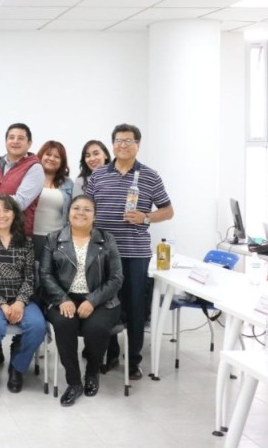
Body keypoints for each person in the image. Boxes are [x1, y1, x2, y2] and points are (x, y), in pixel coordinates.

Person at [86, 123, 174, 380]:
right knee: (106, 305)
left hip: (135, 253)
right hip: (102, 253)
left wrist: (145, 217)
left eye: (128, 141)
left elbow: (168, 211)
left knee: (135, 307)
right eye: (118, 141)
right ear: (112, 144)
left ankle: (133, 361)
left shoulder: (150, 176)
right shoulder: (98, 175)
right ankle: (111, 354)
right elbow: (87, 207)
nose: (122, 145)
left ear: (138, 144)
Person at [40, 195, 123, 406]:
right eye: (76, 208)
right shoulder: (53, 238)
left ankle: (93, 372)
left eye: (87, 209)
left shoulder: (107, 239)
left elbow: (116, 278)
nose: (81, 213)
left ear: (95, 215)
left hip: (101, 299)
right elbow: (45, 274)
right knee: (64, 324)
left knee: (95, 328)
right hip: (63, 298)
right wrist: (62, 299)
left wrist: (92, 300)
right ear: (68, 212)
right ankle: (74, 382)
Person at [0, 195, 46, 393]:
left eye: (6, 210)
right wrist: (2, 304)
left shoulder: (26, 242)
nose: (1, 215)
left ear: (15, 214)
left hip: (21, 298)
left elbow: (30, 277)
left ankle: (17, 367)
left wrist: (20, 302)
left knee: (38, 327)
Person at [32, 140, 73, 262]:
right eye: (48, 154)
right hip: (29, 236)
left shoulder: (68, 183)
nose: (51, 158)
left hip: (57, 238)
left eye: (57, 156)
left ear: (62, 161)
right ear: (41, 156)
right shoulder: (29, 179)